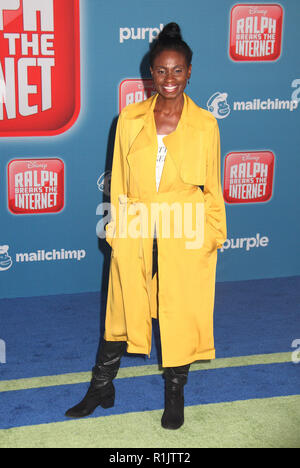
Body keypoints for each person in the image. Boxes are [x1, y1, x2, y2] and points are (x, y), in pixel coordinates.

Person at [66, 22, 227, 430]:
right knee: (121, 309)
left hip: (185, 230)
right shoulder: (129, 119)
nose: (169, 79)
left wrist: (212, 236)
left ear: (190, 72)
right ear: (150, 73)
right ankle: (101, 387)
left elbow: (214, 187)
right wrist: (118, 234)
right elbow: (118, 180)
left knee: (178, 314)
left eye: (177, 70)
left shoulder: (206, 124)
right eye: (161, 71)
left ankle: (175, 395)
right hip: (136, 227)